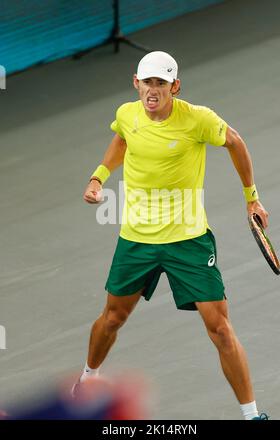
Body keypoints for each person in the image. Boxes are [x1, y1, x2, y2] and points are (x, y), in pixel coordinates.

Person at [75, 51, 269, 420]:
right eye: (147, 82)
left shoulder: (198, 119)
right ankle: (87, 380)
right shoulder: (126, 114)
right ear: (136, 82)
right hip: (137, 239)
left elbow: (235, 141)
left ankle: (252, 415)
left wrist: (252, 200)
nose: (152, 90)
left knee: (221, 330)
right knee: (113, 318)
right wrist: (98, 176)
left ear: (174, 86)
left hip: (189, 241)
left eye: (160, 83)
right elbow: (122, 140)